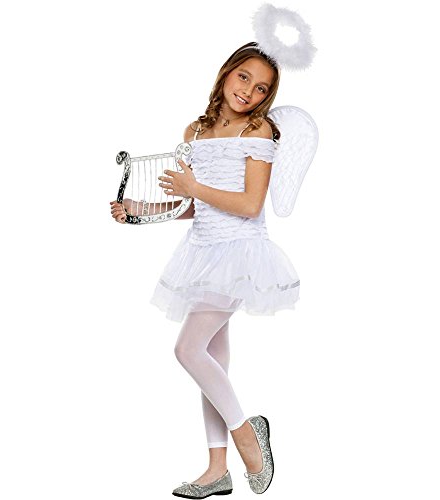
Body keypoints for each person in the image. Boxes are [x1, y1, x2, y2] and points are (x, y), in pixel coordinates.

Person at [109, 41, 301, 496]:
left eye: (261, 88)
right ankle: (217, 469)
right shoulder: (195, 132)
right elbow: (194, 206)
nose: (248, 91)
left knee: (188, 349)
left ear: (267, 97)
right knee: (212, 359)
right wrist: (139, 209)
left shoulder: (258, 131)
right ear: (226, 73)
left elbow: (250, 205)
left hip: (240, 254)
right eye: (243, 77)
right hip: (203, 251)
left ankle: (248, 436)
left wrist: (193, 186)